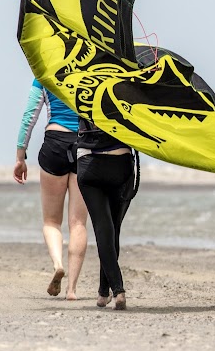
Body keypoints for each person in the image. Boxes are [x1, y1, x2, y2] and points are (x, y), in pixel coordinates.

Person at [14, 78, 88, 300]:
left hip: (55, 142)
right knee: (78, 223)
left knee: (51, 222)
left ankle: (58, 264)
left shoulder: (44, 73)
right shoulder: (89, 72)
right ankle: (72, 290)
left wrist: (20, 155)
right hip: (85, 144)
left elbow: (30, 116)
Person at [76, 118, 138, 310]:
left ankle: (112, 290)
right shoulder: (128, 87)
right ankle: (109, 290)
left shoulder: (81, 87)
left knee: (104, 229)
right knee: (113, 229)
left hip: (89, 162)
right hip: (120, 161)